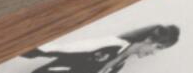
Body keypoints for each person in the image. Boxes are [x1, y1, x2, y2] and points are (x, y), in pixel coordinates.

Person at [15, 22, 180, 71]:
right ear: (149, 40)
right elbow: (66, 49)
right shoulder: (111, 44)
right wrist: (21, 49)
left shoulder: (120, 64)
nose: (154, 53)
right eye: (158, 47)